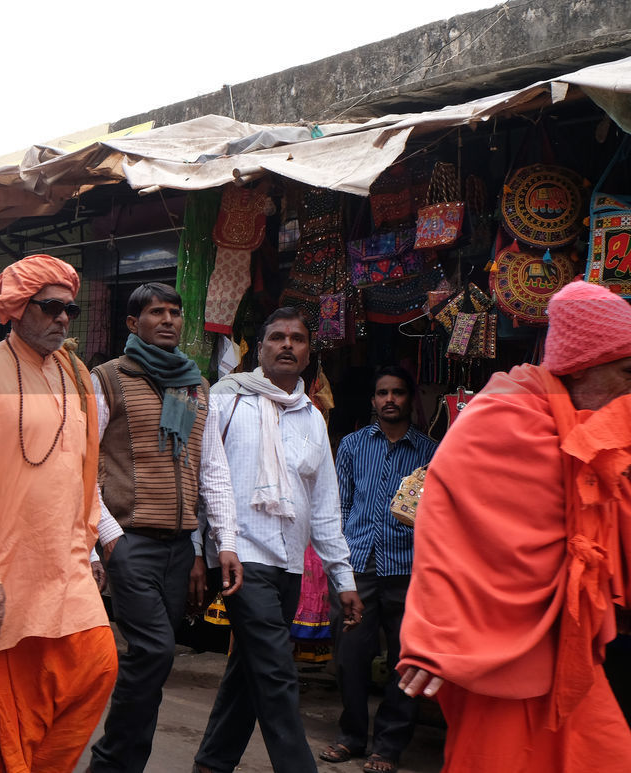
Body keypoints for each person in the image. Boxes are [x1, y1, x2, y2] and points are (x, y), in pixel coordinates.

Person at [399, 280, 631, 770]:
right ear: (583, 367)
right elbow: (445, 531)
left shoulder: (601, 434)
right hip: (495, 655)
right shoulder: (502, 417)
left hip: (569, 656)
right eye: (627, 372)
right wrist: (435, 637)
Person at [0, 254, 118, 773]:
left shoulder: (76, 374)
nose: (62, 319)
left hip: (64, 565)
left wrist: (88, 547)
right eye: (50, 307)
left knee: (97, 665)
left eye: (69, 310)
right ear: (18, 308)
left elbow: (84, 473)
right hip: (2, 568)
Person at [193, 306, 363, 773]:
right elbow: (208, 479)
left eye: (298, 339)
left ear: (309, 353)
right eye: (277, 337)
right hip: (240, 558)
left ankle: (211, 764)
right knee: (275, 670)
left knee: (248, 672)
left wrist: (342, 579)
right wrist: (207, 547)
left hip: (290, 563)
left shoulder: (311, 416)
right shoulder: (227, 401)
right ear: (260, 348)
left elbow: (325, 504)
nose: (287, 345)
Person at [87, 282, 242, 773]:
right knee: (152, 651)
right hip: (130, 540)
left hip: (178, 545)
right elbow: (82, 466)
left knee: (156, 663)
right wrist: (107, 541)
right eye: (157, 312)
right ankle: (111, 763)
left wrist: (226, 542)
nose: (170, 320)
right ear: (133, 324)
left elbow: (211, 468)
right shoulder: (107, 379)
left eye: (175, 312)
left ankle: (122, 763)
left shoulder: (196, 385)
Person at [320, 366, 436, 773]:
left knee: (405, 660)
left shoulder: (431, 452)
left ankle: (388, 745)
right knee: (350, 657)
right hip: (358, 568)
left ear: (410, 399)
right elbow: (340, 505)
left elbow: (436, 515)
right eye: (382, 393)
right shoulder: (351, 446)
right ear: (372, 400)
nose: (390, 399)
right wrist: (340, 559)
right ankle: (351, 736)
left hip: (408, 569)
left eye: (398, 393)